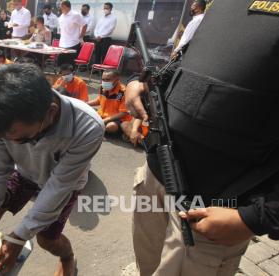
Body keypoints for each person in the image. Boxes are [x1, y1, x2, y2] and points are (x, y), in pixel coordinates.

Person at [123, 0, 279, 274]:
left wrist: (256, 218)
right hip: (156, 175)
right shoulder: (224, 5)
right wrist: (143, 84)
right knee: (146, 267)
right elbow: (186, 64)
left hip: (210, 215)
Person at [0, 63, 104, 275]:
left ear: (50, 112)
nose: (13, 145)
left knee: (46, 239)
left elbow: (59, 186)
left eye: (23, 139)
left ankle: (67, 257)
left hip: (65, 183)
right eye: (4, 139)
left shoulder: (88, 127)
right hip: (24, 172)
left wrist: (19, 237)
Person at [87, 70, 130, 134]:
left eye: (107, 80)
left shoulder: (122, 92)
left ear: (117, 80)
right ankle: (99, 128)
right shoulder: (102, 87)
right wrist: (85, 103)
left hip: (117, 119)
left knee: (111, 127)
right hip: (102, 115)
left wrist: (105, 120)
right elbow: (99, 100)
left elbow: (123, 113)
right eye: (103, 79)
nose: (104, 82)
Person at [57, 0, 86, 66]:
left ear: (66, 6)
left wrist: (81, 37)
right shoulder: (61, 16)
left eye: (61, 6)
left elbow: (84, 25)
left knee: (69, 64)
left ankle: (70, 76)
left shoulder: (75, 15)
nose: (60, 7)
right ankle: (62, 76)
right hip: (62, 43)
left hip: (73, 43)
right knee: (60, 63)